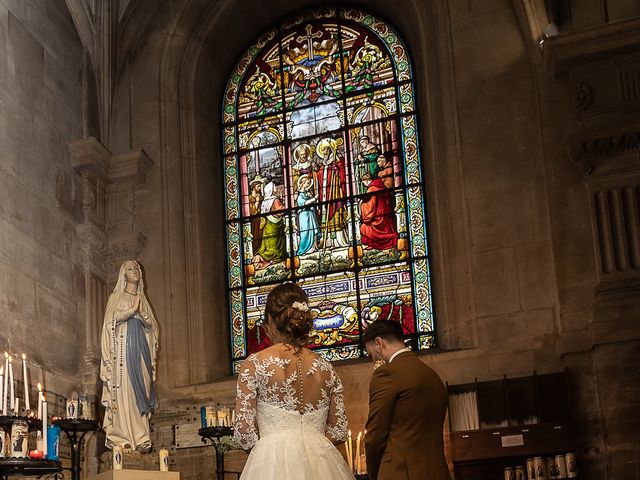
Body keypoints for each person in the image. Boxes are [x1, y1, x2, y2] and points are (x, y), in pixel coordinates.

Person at [234, 282, 352, 480]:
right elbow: (339, 431)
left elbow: (243, 433)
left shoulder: (254, 364)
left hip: (271, 466)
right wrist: (312, 446)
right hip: (322, 465)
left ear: (270, 319)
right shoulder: (326, 368)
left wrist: (267, 453)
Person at [364, 320, 451, 480]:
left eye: (371, 354)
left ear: (379, 343)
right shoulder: (432, 375)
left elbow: (375, 434)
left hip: (400, 473)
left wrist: (373, 473)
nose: (373, 360)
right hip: (437, 472)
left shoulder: (387, 373)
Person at [100, 260, 159, 452]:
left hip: (141, 350)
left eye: (137, 268)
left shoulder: (143, 300)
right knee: (124, 389)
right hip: (123, 354)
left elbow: (153, 328)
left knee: (140, 390)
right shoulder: (116, 297)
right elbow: (109, 321)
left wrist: (141, 314)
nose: (136, 271)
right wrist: (130, 312)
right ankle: (121, 436)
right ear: (123, 274)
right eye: (130, 268)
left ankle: (141, 436)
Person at [253, 181, 287, 268]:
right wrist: (286, 205)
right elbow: (280, 211)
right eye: (274, 186)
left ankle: (262, 258)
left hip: (268, 225)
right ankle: (261, 257)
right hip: (274, 225)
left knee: (269, 245)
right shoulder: (274, 200)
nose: (276, 187)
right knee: (275, 246)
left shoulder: (266, 200)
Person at [360, 173, 398, 250]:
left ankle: (375, 244)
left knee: (364, 228)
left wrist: (362, 205)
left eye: (363, 182)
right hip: (386, 216)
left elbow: (371, 206)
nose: (364, 184)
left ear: (366, 181)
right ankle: (374, 244)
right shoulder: (382, 186)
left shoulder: (371, 189)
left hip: (377, 217)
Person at [295, 174, 320, 255]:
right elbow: (305, 203)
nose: (309, 185)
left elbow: (311, 202)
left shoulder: (307, 194)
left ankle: (314, 246)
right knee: (305, 232)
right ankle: (304, 249)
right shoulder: (299, 196)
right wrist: (314, 199)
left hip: (311, 214)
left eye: (309, 183)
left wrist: (311, 197)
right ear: (302, 184)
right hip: (304, 215)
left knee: (314, 230)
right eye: (307, 183)